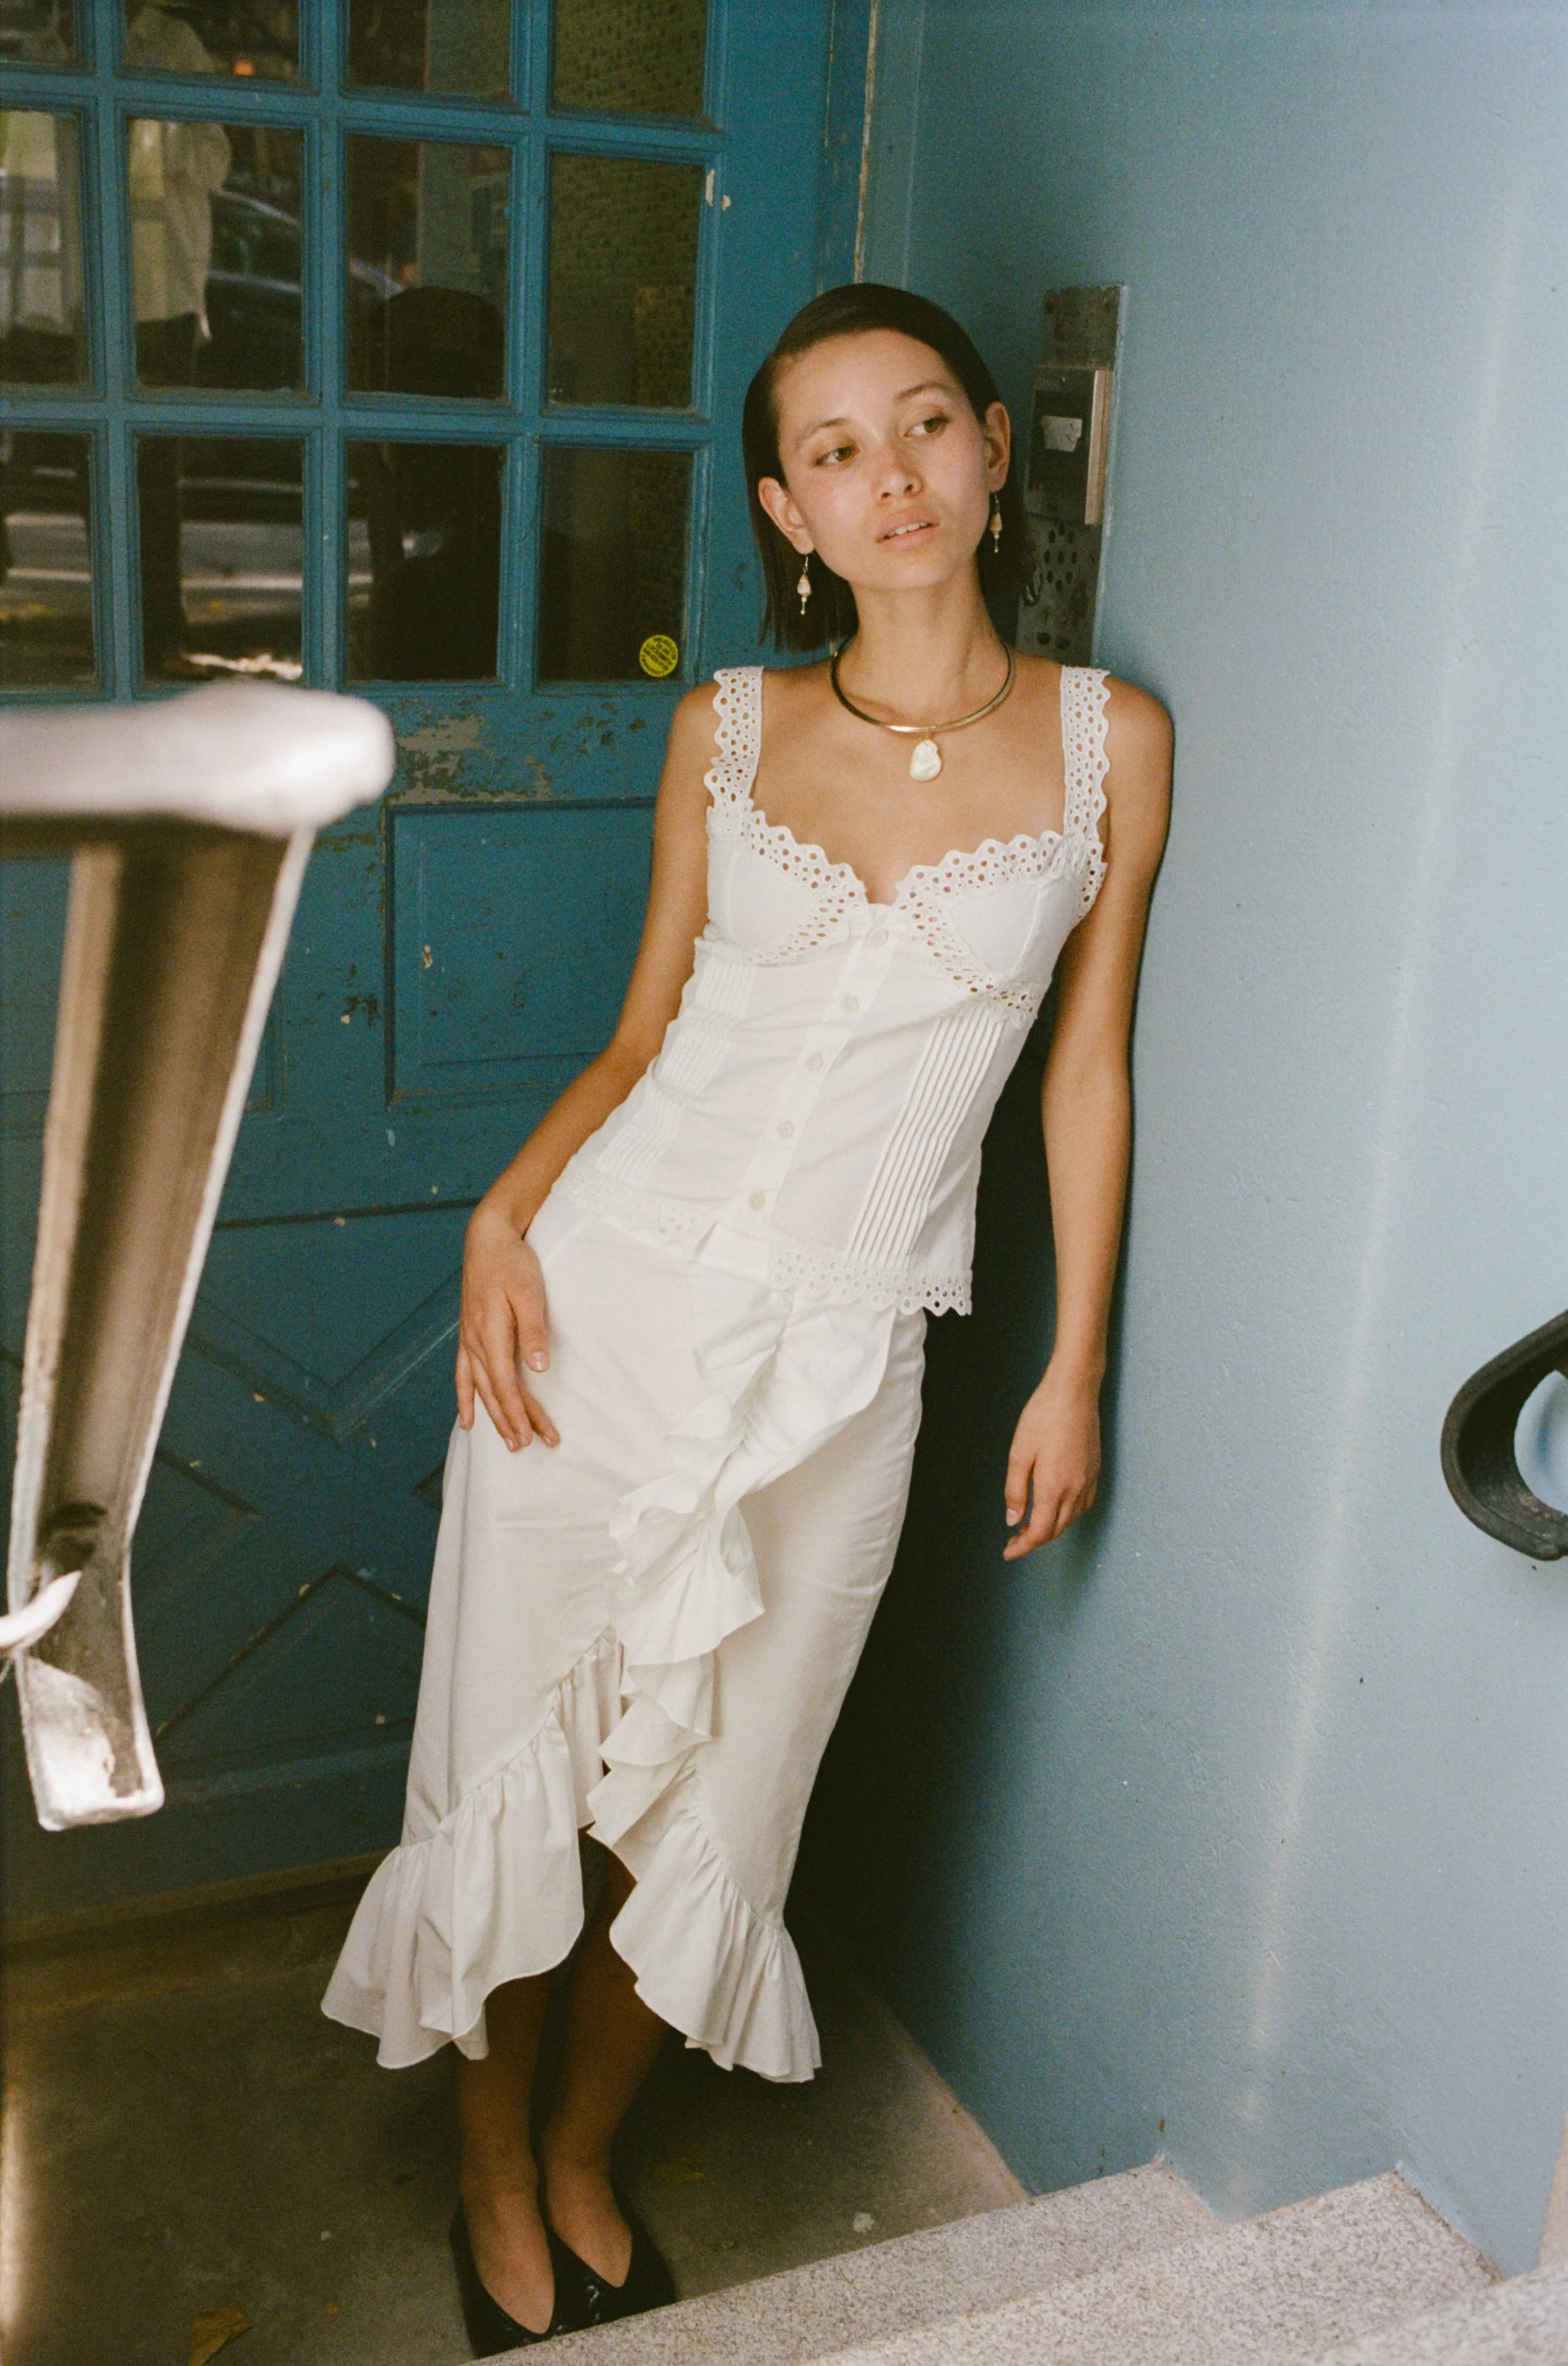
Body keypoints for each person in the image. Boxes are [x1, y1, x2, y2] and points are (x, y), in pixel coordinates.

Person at [324, 282, 1172, 2352]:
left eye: (923, 430)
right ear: (788, 512)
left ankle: (588, 2149)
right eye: (834, 452)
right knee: (520, 1758)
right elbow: (635, 1042)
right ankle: (486, 2164)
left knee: (729, 1791)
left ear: (990, 451)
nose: (890, 479)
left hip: (852, 1360)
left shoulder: (1109, 744)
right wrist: (499, 1220)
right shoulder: (728, 726)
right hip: (598, 1313)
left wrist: (1074, 1365)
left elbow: (1083, 1071)